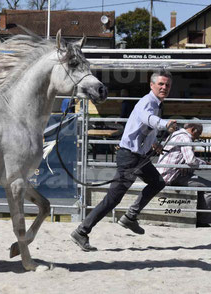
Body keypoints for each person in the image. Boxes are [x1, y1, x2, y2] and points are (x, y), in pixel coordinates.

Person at [70, 69, 177, 251]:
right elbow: (148, 119)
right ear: (152, 85)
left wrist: (153, 145)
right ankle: (82, 231)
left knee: (157, 182)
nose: (164, 87)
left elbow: (144, 129)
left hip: (138, 156)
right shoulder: (147, 102)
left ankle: (130, 216)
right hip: (129, 157)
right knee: (113, 199)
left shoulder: (156, 104)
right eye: (160, 84)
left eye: (167, 85)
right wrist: (164, 124)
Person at [156, 123, 211, 226]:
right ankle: (203, 221)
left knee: (196, 179)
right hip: (172, 175)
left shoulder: (176, 134)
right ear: (193, 129)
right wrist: (204, 164)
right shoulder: (186, 138)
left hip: (164, 173)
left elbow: (184, 157)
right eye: (198, 133)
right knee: (209, 187)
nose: (198, 137)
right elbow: (190, 161)